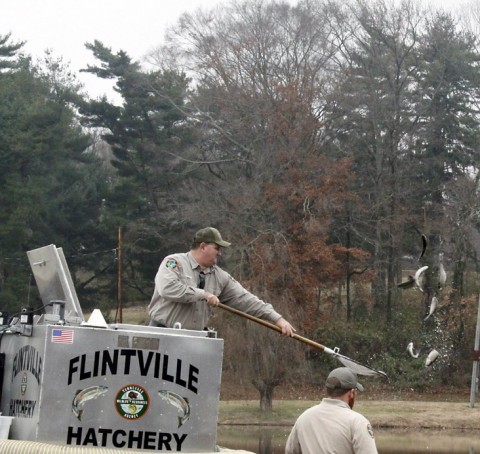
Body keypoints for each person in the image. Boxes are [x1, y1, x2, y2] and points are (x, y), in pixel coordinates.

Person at [148, 226, 295, 336]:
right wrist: (203, 294)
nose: (220, 253)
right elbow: (167, 288)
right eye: (217, 248)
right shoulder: (174, 262)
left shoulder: (220, 276)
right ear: (203, 246)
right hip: (161, 334)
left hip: (193, 339)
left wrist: (277, 319)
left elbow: (245, 299)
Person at [285, 367, 378, 454]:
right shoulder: (358, 422)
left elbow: (290, 451)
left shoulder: (304, 417)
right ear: (352, 393)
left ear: (327, 390)